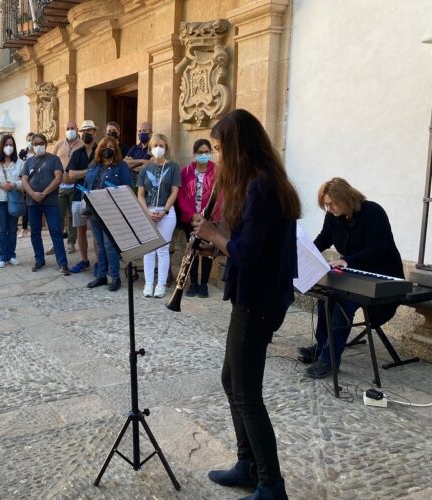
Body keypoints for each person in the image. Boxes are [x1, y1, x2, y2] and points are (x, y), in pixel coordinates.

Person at [193, 109, 299, 500]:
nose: (215, 156)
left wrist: (213, 234)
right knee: (231, 381)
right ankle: (247, 465)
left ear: (237, 148)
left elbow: (248, 253)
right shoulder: (262, 182)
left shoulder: (261, 187)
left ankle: (271, 484)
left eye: (219, 149)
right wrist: (214, 245)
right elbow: (249, 249)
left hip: (258, 300)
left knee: (246, 392)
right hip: (256, 295)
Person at [298, 177, 404, 379]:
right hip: (353, 271)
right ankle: (321, 348)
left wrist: (347, 261)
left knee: (342, 306)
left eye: (331, 203)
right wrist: (305, 254)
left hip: (382, 274)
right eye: (325, 205)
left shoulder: (373, 212)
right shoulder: (333, 217)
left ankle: (329, 361)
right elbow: (324, 238)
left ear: (346, 198)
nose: (329, 209)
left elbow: (379, 247)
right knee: (325, 299)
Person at [84, 137, 133, 291]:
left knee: (109, 246)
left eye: (111, 146)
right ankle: (101, 276)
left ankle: (115, 278)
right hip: (93, 211)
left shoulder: (121, 166)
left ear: (115, 149)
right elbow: (86, 184)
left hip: (111, 212)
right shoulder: (93, 166)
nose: (107, 149)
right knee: (99, 245)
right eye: (104, 146)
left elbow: (127, 188)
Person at [137, 134, 181, 298]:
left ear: (166, 148)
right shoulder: (145, 169)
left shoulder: (173, 167)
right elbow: (141, 193)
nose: (158, 148)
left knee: (162, 250)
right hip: (148, 212)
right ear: (150, 148)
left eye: (161, 145)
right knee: (148, 250)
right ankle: (148, 284)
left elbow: (174, 191)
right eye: (155, 145)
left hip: (166, 213)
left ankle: (160, 284)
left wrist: (164, 211)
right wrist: (147, 211)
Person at [21, 133, 70, 275]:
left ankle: (62, 263)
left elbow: (58, 177)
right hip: (32, 202)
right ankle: (39, 260)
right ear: (32, 145)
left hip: (51, 201)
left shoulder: (54, 159)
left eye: (41, 143)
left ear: (46, 144)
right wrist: (33, 194)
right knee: (35, 232)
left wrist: (44, 193)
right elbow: (24, 180)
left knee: (55, 231)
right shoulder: (28, 162)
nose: (38, 146)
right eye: (35, 143)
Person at [177, 138, 220, 298]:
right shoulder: (186, 172)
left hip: (208, 220)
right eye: (200, 152)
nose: (204, 155)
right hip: (191, 219)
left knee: (207, 251)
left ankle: (204, 285)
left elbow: (219, 196)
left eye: (207, 152)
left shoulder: (217, 171)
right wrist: (192, 215)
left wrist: (205, 215)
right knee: (192, 251)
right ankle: (193, 283)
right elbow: (180, 196)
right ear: (195, 154)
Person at [0, 134, 24, 268]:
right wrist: (0, 184)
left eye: (11, 144)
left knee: (12, 228)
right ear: (2, 146)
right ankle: (2, 256)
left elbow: (24, 182)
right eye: (6, 144)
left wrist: (14, 184)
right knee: (2, 229)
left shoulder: (20, 163)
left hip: (14, 200)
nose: (9, 147)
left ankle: (11, 255)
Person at [66, 120, 98, 273]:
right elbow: (71, 174)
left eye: (89, 131)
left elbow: (103, 170)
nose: (86, 134)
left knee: (97, 231)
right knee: (81, 230)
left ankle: (99, 262)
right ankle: (84, 260)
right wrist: (91, 171)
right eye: (84, 131)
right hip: (78, 197)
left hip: (97, 197)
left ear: (95, 132)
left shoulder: (100, 151)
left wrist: (81, 173)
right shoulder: (76, 153)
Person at [51, 120, 83, 255]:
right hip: (60, 186)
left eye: (72, 128)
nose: (70, 130)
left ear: (77, 129)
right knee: (57, 216)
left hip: (75, 187)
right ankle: (56, 244)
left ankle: (71, 243)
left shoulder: (82, 145)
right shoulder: (58, 144)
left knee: (72, 217)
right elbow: (52, 163)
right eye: (68, 128)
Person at [17, 132, 34, 238]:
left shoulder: (39, 152)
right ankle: (24, 228)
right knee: (26, 207)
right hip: (25, 182)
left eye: (32, 139)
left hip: (36, 183)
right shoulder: (23, 153)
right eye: (28, 139)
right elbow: (18, 165)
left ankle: (34, 227)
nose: (30, 142)